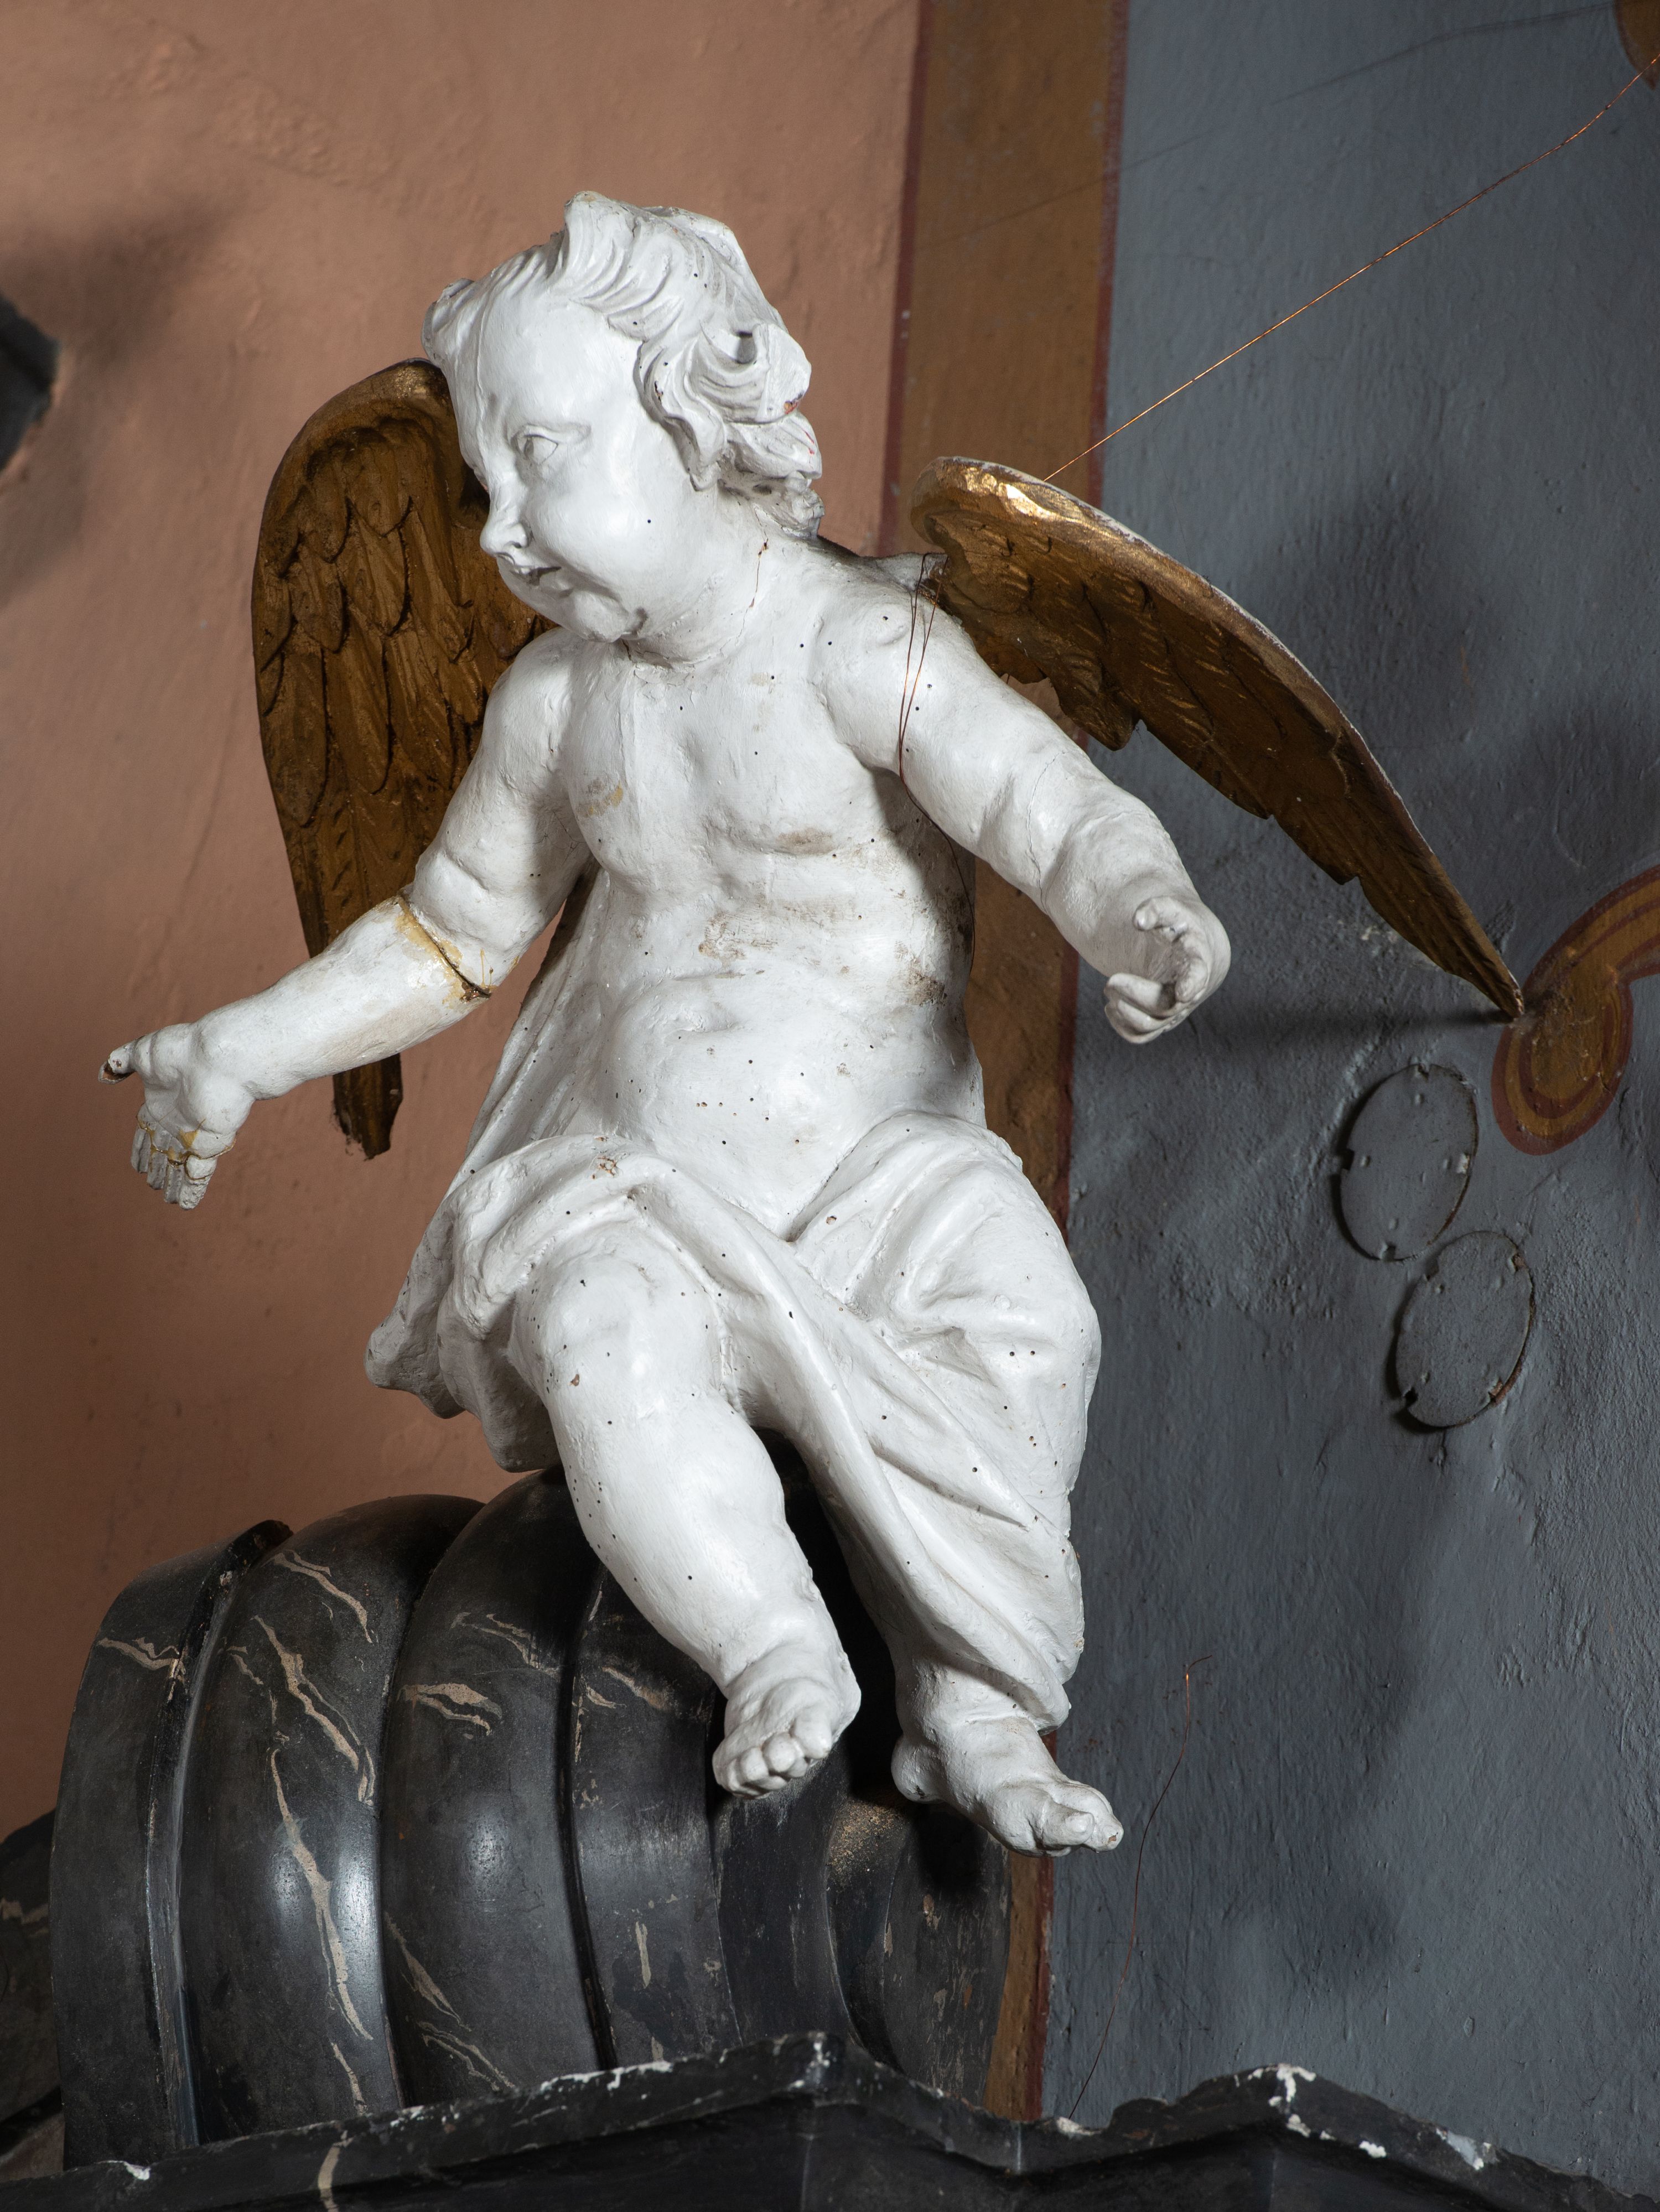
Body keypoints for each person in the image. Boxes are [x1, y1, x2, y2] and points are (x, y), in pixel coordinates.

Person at [105, 195, 1229, 1856]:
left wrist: (1148, 913)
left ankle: (973, 1708)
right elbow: (447, 932)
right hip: (635, 1189)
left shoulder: (859, 643)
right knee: (603, 1344)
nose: (500, 533)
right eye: (485, 485)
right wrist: (245, 1048)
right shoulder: (554, 705)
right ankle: (771, 1644)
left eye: (542, 459)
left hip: (880, 1186)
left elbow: (1048, 811)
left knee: (1030, 1318)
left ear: (693, 419)